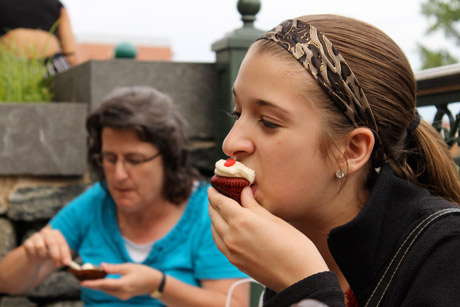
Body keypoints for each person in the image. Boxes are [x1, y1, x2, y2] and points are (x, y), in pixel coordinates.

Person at [207, 14, 460, 307]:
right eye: (238, 114)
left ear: (352, 150)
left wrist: (304, 286)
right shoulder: (292, 239)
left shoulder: (445, 255)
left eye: (268, 122)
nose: (230, 142)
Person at [0, 86, 249, 306]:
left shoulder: (206, 211)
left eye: (135, 159)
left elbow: (231, 303)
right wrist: (32, 256)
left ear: (169, 158)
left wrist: (158, 285)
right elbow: (7, 283)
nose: (118, 174)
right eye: (109, 159)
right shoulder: (97, 201)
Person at [0, 0, 80, 76]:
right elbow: (71, 54)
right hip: (9, 66)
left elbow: (71, 54)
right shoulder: (56, 5)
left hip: (52, 66)